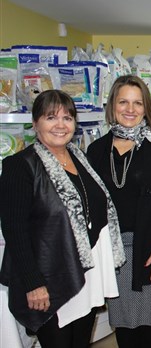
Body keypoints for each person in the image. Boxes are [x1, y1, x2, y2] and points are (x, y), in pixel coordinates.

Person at [0, 90, 125, 347]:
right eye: (51, 117)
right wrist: (33, 283)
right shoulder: (20, 166)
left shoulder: (80, 158)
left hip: (84, 272)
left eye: (67, 118)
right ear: (35, 123)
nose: (60, 125)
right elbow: (14, 230)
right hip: (50, 279)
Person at [87, 75, 151, 347]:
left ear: (146, 108)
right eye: (123, 102)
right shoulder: (95, 150)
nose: (130, 110)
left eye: (137, 103)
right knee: (125, 327)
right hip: (114, 254)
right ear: (112, 106)